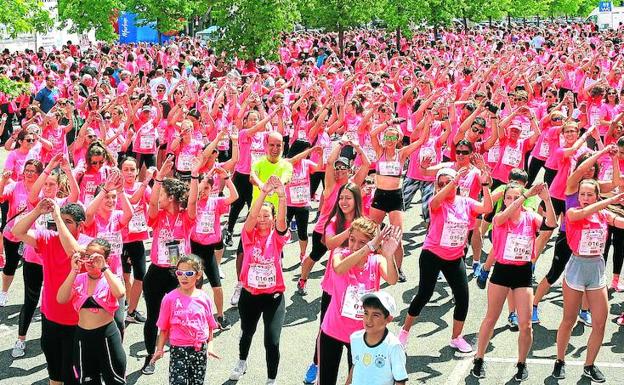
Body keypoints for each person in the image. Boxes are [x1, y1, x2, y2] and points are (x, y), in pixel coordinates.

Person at [399, 167, 492, 352]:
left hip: (455, 257)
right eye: (440, 184)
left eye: (447, 183)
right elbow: (434, 201)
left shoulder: (465, 202)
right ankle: (404, 332)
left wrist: (485, 185)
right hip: (432, 255)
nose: (445, 187)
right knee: (424, 294)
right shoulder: (437, 203)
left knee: (463, 298)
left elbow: (487, 208)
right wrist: (453, 181)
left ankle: (456, 338)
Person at [472, 183, 557, 382]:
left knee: (526, 324)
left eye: (515, 197)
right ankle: (479, 358)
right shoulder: (499, 217)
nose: (511, 201)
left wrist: (546, 199)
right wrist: (525, 194)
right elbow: (502, 217)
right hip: (502, 271)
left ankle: (521, 362)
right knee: (491, 318)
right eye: (508, 197)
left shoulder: (530, 217)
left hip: (523, 273)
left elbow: (551, 224)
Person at [12, 200, 93, 385]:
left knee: (73, 376)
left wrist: (57, 216)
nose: (61, 225)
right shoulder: (47, 238)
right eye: (61, 221)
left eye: (68, 221)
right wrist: (37, 212)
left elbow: (74, 252)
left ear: (81, 225)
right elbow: (17, 232)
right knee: (54, 374)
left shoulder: (88, 244)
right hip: (50, 318)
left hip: (77, 322)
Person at [553, 182, 624, 383]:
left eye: (590, 194)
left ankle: (589, 365)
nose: (585, 197)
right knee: (569, 320)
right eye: (582, 194)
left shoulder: (603, 215)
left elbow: (619, 221)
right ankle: (560, 360)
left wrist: (609, 206)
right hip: (576, 269)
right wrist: (609, 201)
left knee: (600, 323)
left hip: (597, 271)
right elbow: (581, 214)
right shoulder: (573, 212)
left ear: (596, 196)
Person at [317, 218, 400, 385]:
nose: (355, 245)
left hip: (360, 335)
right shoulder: (340, 255)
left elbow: (392, 279)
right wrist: (367, 248)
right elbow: (339, 269)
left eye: (362, 241)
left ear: (372, 242)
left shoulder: (376, 262)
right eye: (352, 239)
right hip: (332, 330)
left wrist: (389, 255)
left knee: (357, 381)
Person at [141, 155, 199, 375]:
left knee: (179, 318)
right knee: (153, 318)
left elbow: (192, 201)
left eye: (164, 194)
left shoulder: (186, 217)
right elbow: (153, 203)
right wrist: (159, 179)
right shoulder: (157, 216)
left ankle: (180, 354)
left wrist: (194, 176)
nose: (159, 198)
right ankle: (151, 357)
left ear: (172, 197)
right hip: (156, 272)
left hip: (179, 274)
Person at [229, 176, 289, 385]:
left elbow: (282, 222)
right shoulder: (248, 235)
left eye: (267, 216)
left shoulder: (278, 236)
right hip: (250, 295)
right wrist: (263, 192)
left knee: (271, 342)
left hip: (273, 298)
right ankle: (241, 361)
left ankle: (271, 379)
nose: (262, 219)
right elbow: (252, 216)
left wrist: (281, 196)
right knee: (247, 332)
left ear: (272, 219)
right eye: (259, 216)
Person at [56, 239, 127, 385]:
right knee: (87, 380)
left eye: (96, 257)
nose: (90, 260)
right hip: (83, 338)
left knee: (115, 380)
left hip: (107, 337)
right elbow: (61, 298)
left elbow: (120, 293)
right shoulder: (79, 279)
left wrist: (104, 268)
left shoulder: (110, 278)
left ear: (106, 259)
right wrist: (73, 271)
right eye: (87, 255)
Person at [152, 255, 220, 385]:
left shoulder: (204, 298)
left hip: (199, 349)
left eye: (189, 273)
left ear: (198, 275)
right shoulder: (169, 299)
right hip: (178, 349)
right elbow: (164, 328)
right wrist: (159, 349)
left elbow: (209, 324)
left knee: (197, 382)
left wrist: (210, 346)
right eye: (180, 273)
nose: (184, 277)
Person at [190, 166, 238, 329]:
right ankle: (194, 315)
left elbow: (235, 196)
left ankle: (220, 315)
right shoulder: (192, 203)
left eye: (207, 188)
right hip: (194, 248)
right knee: (194, 285)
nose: (203, 192)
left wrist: (227, 178)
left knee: (217, 285)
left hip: (209, 249)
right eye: (201, 189)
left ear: (212, 189)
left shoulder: (215, 202)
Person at [347, 291, 407, 385]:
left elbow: (400, 380)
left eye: (375, 315)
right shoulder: (355, 338)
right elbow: (355, 366)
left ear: (388, 319)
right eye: (366, 313)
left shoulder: (394, 346)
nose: (368, 319)